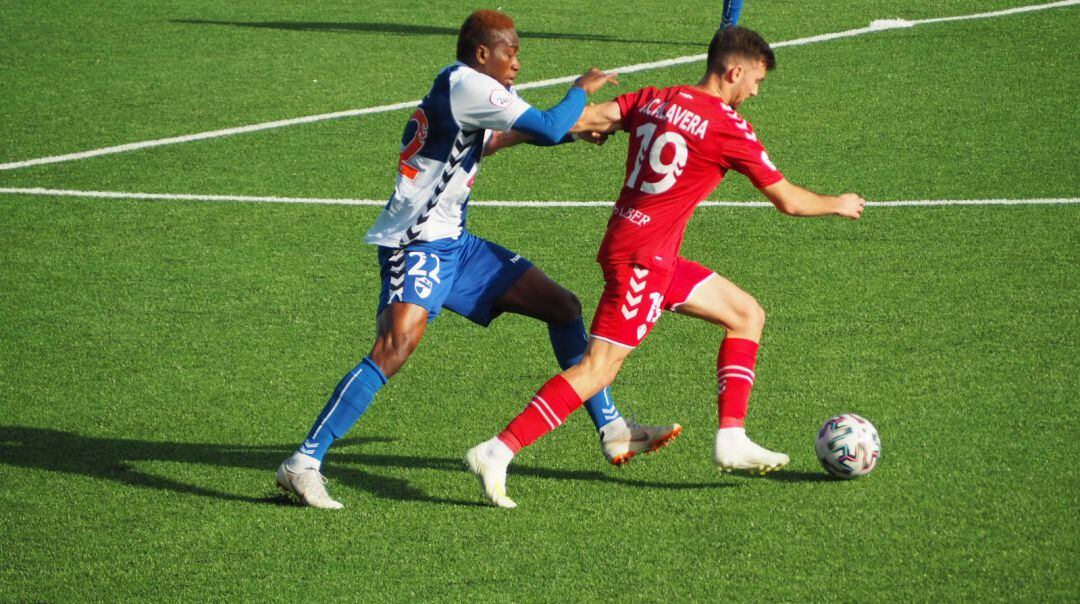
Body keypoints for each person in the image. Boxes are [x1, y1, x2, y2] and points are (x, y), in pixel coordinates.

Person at [275, 10, 682, 509]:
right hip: (416, 242)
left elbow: (492, 140)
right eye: (510, 52)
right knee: (394, 346)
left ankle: (613, 428)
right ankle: (303, 463)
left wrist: (572, 133)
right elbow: (549, 126)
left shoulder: (462, 88)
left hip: (457, 245)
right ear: (482, 52)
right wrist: (582, 90)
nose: (517, 62)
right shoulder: (468, 82)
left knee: (563, 307)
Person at [466, 26, 866, 508]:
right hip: (643, 260)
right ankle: (498, 449)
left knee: (746, 315)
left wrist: (499, 138)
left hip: (643, 249)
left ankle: (731, 438)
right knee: (598, 368)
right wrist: (837, 203)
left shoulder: (656, 97)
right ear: (734, 71)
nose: (756, 92)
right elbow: (790, 202)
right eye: (756, 81)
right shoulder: (728, 127)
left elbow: (585, 119)